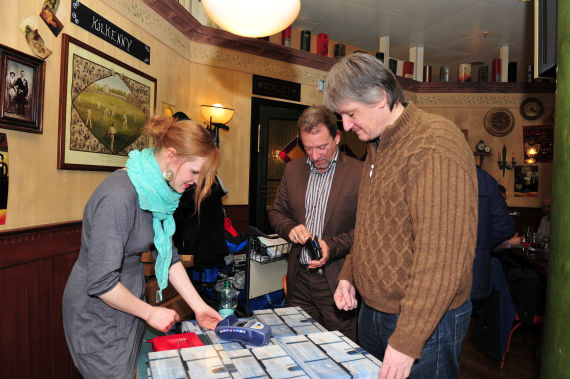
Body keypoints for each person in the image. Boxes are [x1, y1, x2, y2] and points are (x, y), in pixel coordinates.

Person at [324, 53, 477, 379]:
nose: (346, 127)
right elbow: (369, 226)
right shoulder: (376, 145)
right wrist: (349, 274)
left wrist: (408, 340)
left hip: (427, 321)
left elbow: (443, 255)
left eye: (350, 114)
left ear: (380, 98)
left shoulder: (433, 142)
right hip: (372, 311)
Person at [62, 116, 223, 378]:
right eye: (194, 172)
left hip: (126, 305)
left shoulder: (155, 193)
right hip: (98, 315)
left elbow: (168, 256)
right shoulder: (119, 197)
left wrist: (199, 307)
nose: (196, 181)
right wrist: (149, 312)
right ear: (172, 156)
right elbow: (101, 282)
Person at [268, 105, 362, 342]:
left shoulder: (359, 173)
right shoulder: (292, 170)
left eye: (322, 147)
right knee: (294, 344)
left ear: (337, 137)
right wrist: (291, 228)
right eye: (308, 148)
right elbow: (277, 212)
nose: (315, 155)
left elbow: (366, 231)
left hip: (337, 281)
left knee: (340, 349)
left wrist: (331, 246)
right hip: (298, 278)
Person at [471, 166, 514, 313]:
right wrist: (481, 245)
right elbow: (503, 227)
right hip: (474, 276)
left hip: (426, 280)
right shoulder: (482, 178)